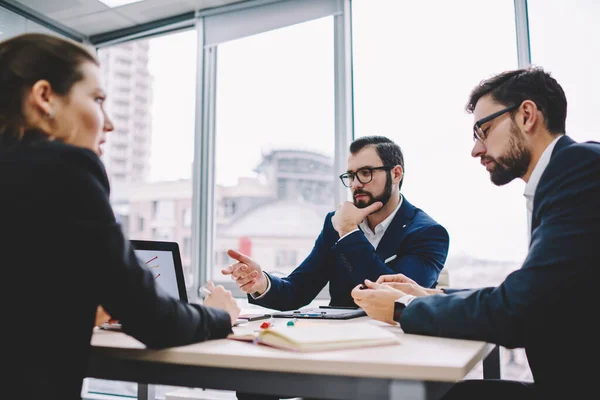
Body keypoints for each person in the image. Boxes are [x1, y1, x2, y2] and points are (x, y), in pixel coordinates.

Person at [1, 33, 241, 399]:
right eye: (98, 99)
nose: (108, 123)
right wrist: (220, 314)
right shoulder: (66, 168)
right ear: (44, 96)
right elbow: (156, 321)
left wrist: (73, 309)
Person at [351, 66, 600, 400]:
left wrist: (403, 308)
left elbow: (521, 310)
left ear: (527, 115)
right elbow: (535, 293)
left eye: (483, 131)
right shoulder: (570, 173)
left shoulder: (578, 170)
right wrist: (432, 296)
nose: (476, 150)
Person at [223, 135, 449, 309]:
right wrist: (261, 282)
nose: (356, 184)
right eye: (351, 176)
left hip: (397, 349)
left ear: (396, 174)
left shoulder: (428, 234)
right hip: (336, 345)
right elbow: (298, 290)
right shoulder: (336, 223)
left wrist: (349, 232)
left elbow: (394, 298)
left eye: (366, 173)